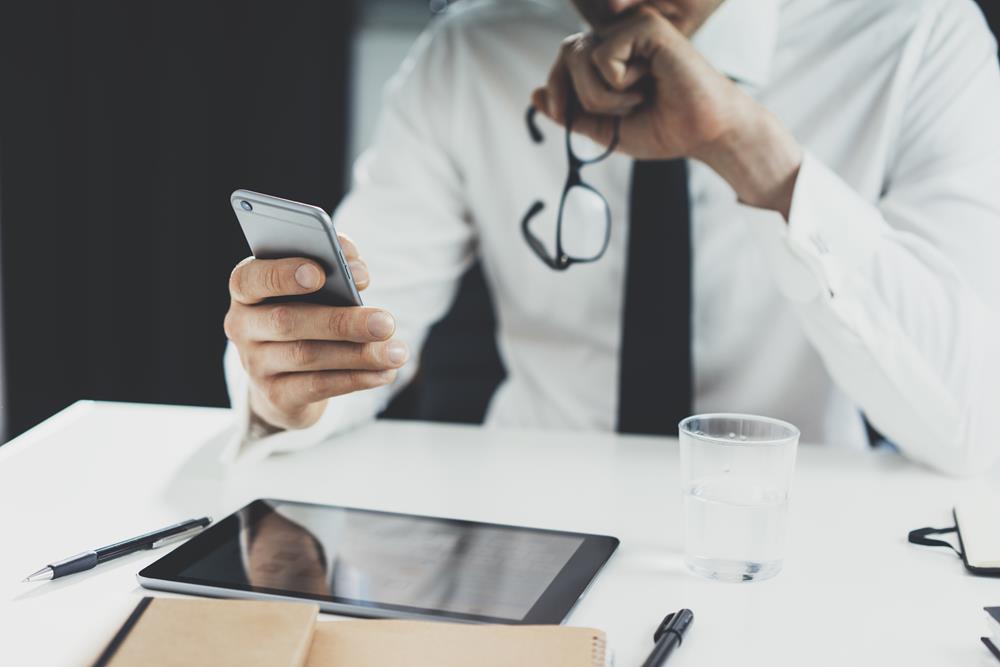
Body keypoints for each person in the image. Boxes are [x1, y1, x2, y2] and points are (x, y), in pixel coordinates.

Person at [222, 0, 1000, 475]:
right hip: (527, 526)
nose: (621, 2)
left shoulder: (921, 39)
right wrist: (286, 384)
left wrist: (751, 151)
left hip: (796, 529)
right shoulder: (469, 54)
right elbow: (366, 318)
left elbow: (972, 421)